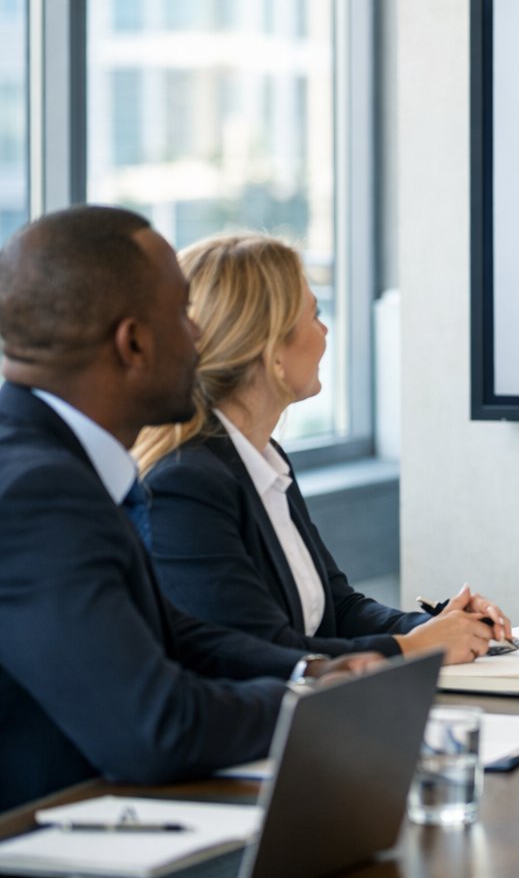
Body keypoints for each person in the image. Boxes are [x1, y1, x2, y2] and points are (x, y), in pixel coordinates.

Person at [0, 207, 377, 812]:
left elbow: (176, 634)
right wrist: (308, 703)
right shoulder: (37, 493)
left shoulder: (57, 461)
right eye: (182, 313)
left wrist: (311, 672)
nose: (200, 336)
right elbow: (156, 727)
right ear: (134, 343)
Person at [133, 234, 510, 663]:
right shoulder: (184, 484)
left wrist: (439, 627)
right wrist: (416, 647)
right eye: (314, 315)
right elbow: (263, 654)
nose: (325, 330)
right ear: (273, 353)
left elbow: (340, 609)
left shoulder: (264, 460)